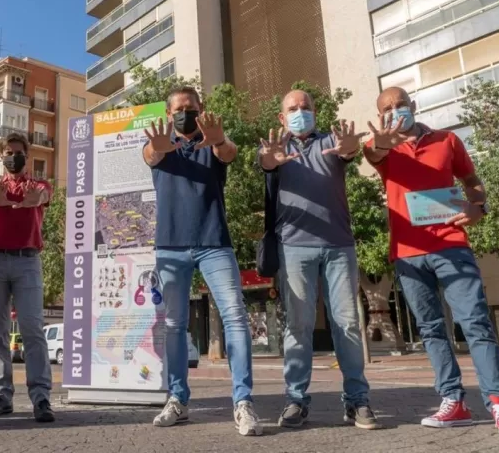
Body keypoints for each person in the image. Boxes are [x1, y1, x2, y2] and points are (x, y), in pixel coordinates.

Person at [362, 87, 499, 440]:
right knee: (432, 330)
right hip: (407, 254)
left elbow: (472, 182)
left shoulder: (447, 141)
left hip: (452, 246)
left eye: (400, 104)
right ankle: (453, 401)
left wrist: (478, 208)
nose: (395, 111)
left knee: (476, 324)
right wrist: (382, 143)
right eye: (387, 108)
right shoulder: (381, 148)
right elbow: (372, 153)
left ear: (414, 105)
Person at [257, 89, 381, 430]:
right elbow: (266, 163)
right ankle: (295, 399)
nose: (300, 112)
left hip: (340, 246)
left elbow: (348, 151)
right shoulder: (274, 146)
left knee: (347, 325)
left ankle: (357, 401)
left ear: (315, 111)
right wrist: (270, 159)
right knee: (298, 325)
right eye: (293, 109)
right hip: (294, 248)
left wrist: (348, 149)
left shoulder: (331, 141)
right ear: (282, 118)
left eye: (306, 107)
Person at [143, 86, 261, 436]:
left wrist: (219, 139)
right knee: (175, 326)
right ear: (168, 114)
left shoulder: (213, 140)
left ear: (201, 109)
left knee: (235, 318)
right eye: (178, 109)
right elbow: (150, 155)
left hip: (214, 244)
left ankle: (243, 403)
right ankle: (178, 400)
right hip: (170, 248)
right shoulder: (160, 144)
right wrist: (156, 148)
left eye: (190, 108)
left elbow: (229, 154)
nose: (185, 114)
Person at [0, 132, 54, 423]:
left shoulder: (38, 183)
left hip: (27, 260)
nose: (13, 156)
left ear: (27, 154)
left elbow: (44, 194)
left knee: (33, 330)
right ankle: (2, 396)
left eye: (18, 152)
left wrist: (38, 197)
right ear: (1, 156)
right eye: (8, 152)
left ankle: (41, 398)